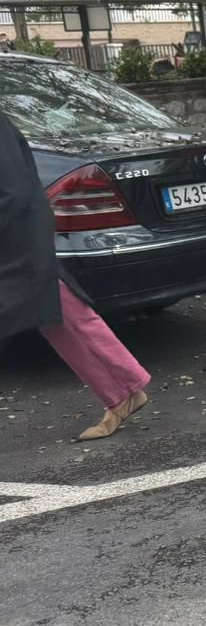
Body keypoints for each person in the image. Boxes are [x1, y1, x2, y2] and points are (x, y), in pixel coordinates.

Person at [0, 110, 152, 441]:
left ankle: (126, 387)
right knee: (56, 318)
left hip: (17, 236)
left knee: (66, 312)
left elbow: (12, 190)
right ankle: (122, 391)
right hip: (15, 235)